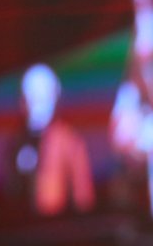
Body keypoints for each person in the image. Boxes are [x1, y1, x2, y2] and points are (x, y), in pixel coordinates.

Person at [8, 64, 95, 216]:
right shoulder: (17, 141)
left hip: (59, 226)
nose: (37, 104)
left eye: (43, 97)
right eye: (32, 97)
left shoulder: (69, 141)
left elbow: (83, 196)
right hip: (23, 225)